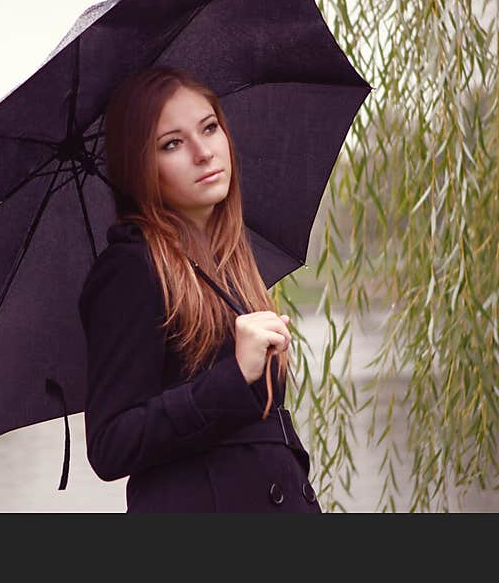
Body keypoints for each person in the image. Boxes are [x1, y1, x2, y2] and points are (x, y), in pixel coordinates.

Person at [77, 64, 322, 512]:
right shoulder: (131, 269)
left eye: (209, 128)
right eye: (172, 144)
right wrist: (234, 375)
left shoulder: (230, 260)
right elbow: (111, 445)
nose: (203, 152)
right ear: (140, 167)